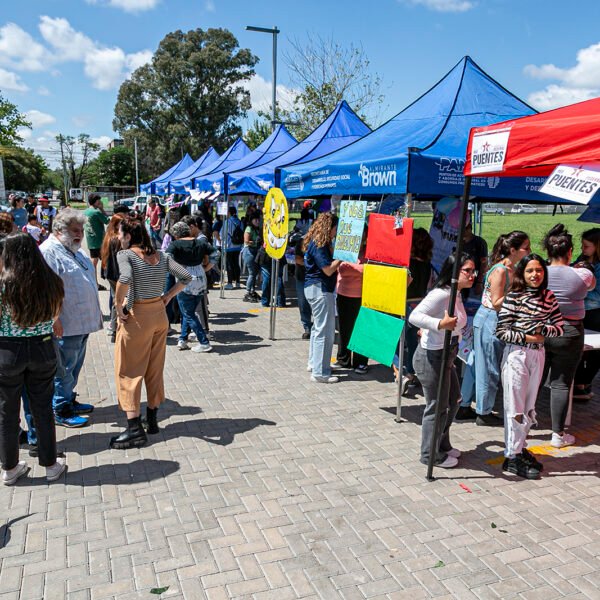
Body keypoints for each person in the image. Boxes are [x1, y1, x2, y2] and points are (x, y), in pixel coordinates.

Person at [112, 217, 192, 449]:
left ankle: (134, 428)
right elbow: (186, 277)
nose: (118, 238)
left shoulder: (125, 255)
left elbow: (125, 278)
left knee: (129, 371)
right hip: (158, 314)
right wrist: (168, 296)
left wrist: (118, 307)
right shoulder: (161, 255)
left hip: (137, 316)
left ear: (128, 236)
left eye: (120, 233)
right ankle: (153, 418)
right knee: (154, 369)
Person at [0, 233, 66, 484]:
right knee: (43, 408)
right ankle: (50, 464)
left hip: (7, 350)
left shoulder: (3, 283)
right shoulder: (51, 281)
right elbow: (56, 312)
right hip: (42, 346)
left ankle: (9, 467)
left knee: (7, 410)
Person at [496, 254, 564, 479]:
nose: (535, 275)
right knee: (514, 408)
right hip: (517, 355)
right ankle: (512, 456)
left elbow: (559, 327)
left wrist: (543, 330)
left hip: (539, 356)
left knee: (529, 407)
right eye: (530, 271)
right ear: (522, 274)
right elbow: (501, 331)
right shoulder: (514, 297)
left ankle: (519, 447)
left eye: (539, 270)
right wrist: (529, 337)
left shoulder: (549, 296)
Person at [456, 231, 531, 425]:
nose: (529, 251)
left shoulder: (508, 268)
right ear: (513, 250)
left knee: (475, 364)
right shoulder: (500, 271)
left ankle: (464, 405)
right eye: (526, 247)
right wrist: (521, 297)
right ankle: (484, 412)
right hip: (491, 320)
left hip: (488, 320)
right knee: (488, 368)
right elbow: (497, 302)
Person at [409, 253, 475, 469]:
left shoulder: (456, 294)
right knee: (437, 406)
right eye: (467, 271)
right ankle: (430, 455)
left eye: (474, 271)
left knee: (454, 399)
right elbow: (414, 316)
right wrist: (439, 324)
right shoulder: (441, 294)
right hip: (432, 357)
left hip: (447, 354)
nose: (473, 275)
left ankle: (442, 444)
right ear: (455, 272)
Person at [40, 209, 103, 427]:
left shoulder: (75, 250)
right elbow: (46, 291)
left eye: (81, 231)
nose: (79, 235)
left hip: (81, 323)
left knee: (73, 368)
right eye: (74, 231)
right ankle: (60, 409)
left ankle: (68, 399)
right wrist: (53, 319)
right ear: (59, 230)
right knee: (63, 370)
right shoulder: (49, 252)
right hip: (64, 324)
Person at [542, 224, 595, 448]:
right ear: (570, 252)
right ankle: (558, 434)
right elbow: (590, 286)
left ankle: (522, 429)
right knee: (561, 384)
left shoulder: (538, 273)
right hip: (570, 331)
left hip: (541, 329)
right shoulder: (582, 274)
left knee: (533, 382)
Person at [165, 221, 213, 353]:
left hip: (185, 280)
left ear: (176, 235)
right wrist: (207, 267)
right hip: (201, 278)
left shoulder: (175, 244)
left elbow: (166, 258)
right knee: (188, 311)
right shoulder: (200, 242)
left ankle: (204, 342)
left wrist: (176, 270)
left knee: (188, 312)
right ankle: (183, 339)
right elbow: (216, 254)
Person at [303, 213, 340, 384]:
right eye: (334, 228)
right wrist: (341, 257)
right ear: (329, 227)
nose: (335, 232)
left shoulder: (316, 242)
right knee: (324, 331)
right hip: (320, 289)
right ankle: (320, 371)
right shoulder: (319, 244)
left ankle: (315, 364)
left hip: (315, 288)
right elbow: (327, 269)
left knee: (319, 328)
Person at [399, 228, 434, 389]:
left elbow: (404, 286)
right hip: (421, 303)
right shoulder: (427, 264)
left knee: (403, 341)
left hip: (407, 303)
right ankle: (414, 373)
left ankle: (406, 373)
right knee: (414, 342)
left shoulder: (409, 264)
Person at [336, 234, 368, 374]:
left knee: (361, 330)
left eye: (363, 238)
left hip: (362, 296)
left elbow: (370, 271)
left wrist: (355, 268)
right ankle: (344, 359)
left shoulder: (369, 254)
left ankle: (360, 362)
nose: (360, 241)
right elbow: (338, 268)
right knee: (344, 329)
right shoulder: (344, 251)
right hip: (343, 295)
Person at [574, 228, 600, 400]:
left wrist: (580, 290)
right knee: (579, 350)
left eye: (587, 246)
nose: (583, 249)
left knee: (595, 351)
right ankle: (579, 383)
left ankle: (584, 381)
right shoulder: (580, 260)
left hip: (595, 312)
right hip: (582, 311)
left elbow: (597, 294)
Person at [100, 213, 126, 341]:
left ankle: (112, 325)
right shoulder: (117, 239)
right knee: (118, 301)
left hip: (110, 273)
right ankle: (115, 328)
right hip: (116, 274)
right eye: (122, 223)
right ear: (116, 224)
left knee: (116, 300)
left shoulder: (108, 236)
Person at [83, 193, 110, 288]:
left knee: (93, 262)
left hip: (91, 240)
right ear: (95, 202)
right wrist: (102, 209)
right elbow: (108, 221)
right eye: (99, 201)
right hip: (99, 241)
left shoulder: (85, 212)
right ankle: (110, 281)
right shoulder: (96, 212)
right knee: (107, 261)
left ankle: (94, 283)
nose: (100, 202)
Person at [462, 220, 488, 299]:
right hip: (461, 280)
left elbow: (484, 263)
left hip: (474, 280)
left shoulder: (479, 242)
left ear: (469, 228)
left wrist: (479, 282)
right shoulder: (458, 241)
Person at [294, 237, 312, 339]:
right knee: (303, 303)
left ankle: (314, 326)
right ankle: (307, 328)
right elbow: (298, 259)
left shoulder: (324, 241)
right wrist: (311, 263)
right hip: (302, 277)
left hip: (316, 279)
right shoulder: (301, 241)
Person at [242, 213, 262, 302]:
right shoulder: (249, 228)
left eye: (258, 220)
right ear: (251, 220)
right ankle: (247, 292)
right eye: (255, 220)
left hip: (255, 251)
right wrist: (254, 241)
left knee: (255, 273)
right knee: (252, 273)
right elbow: (246, 241)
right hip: (249, 252)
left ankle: (252, 291)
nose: (257, 221)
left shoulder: (258, 229)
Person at [224, 206, 243, 289]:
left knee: (229, 264)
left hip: (229, 245)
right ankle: (238, 282)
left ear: (229, 213)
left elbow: (222, 234)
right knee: (236, 263)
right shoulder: (240, 222)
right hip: (238, 246)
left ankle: (230, 283)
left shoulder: (227, 222)